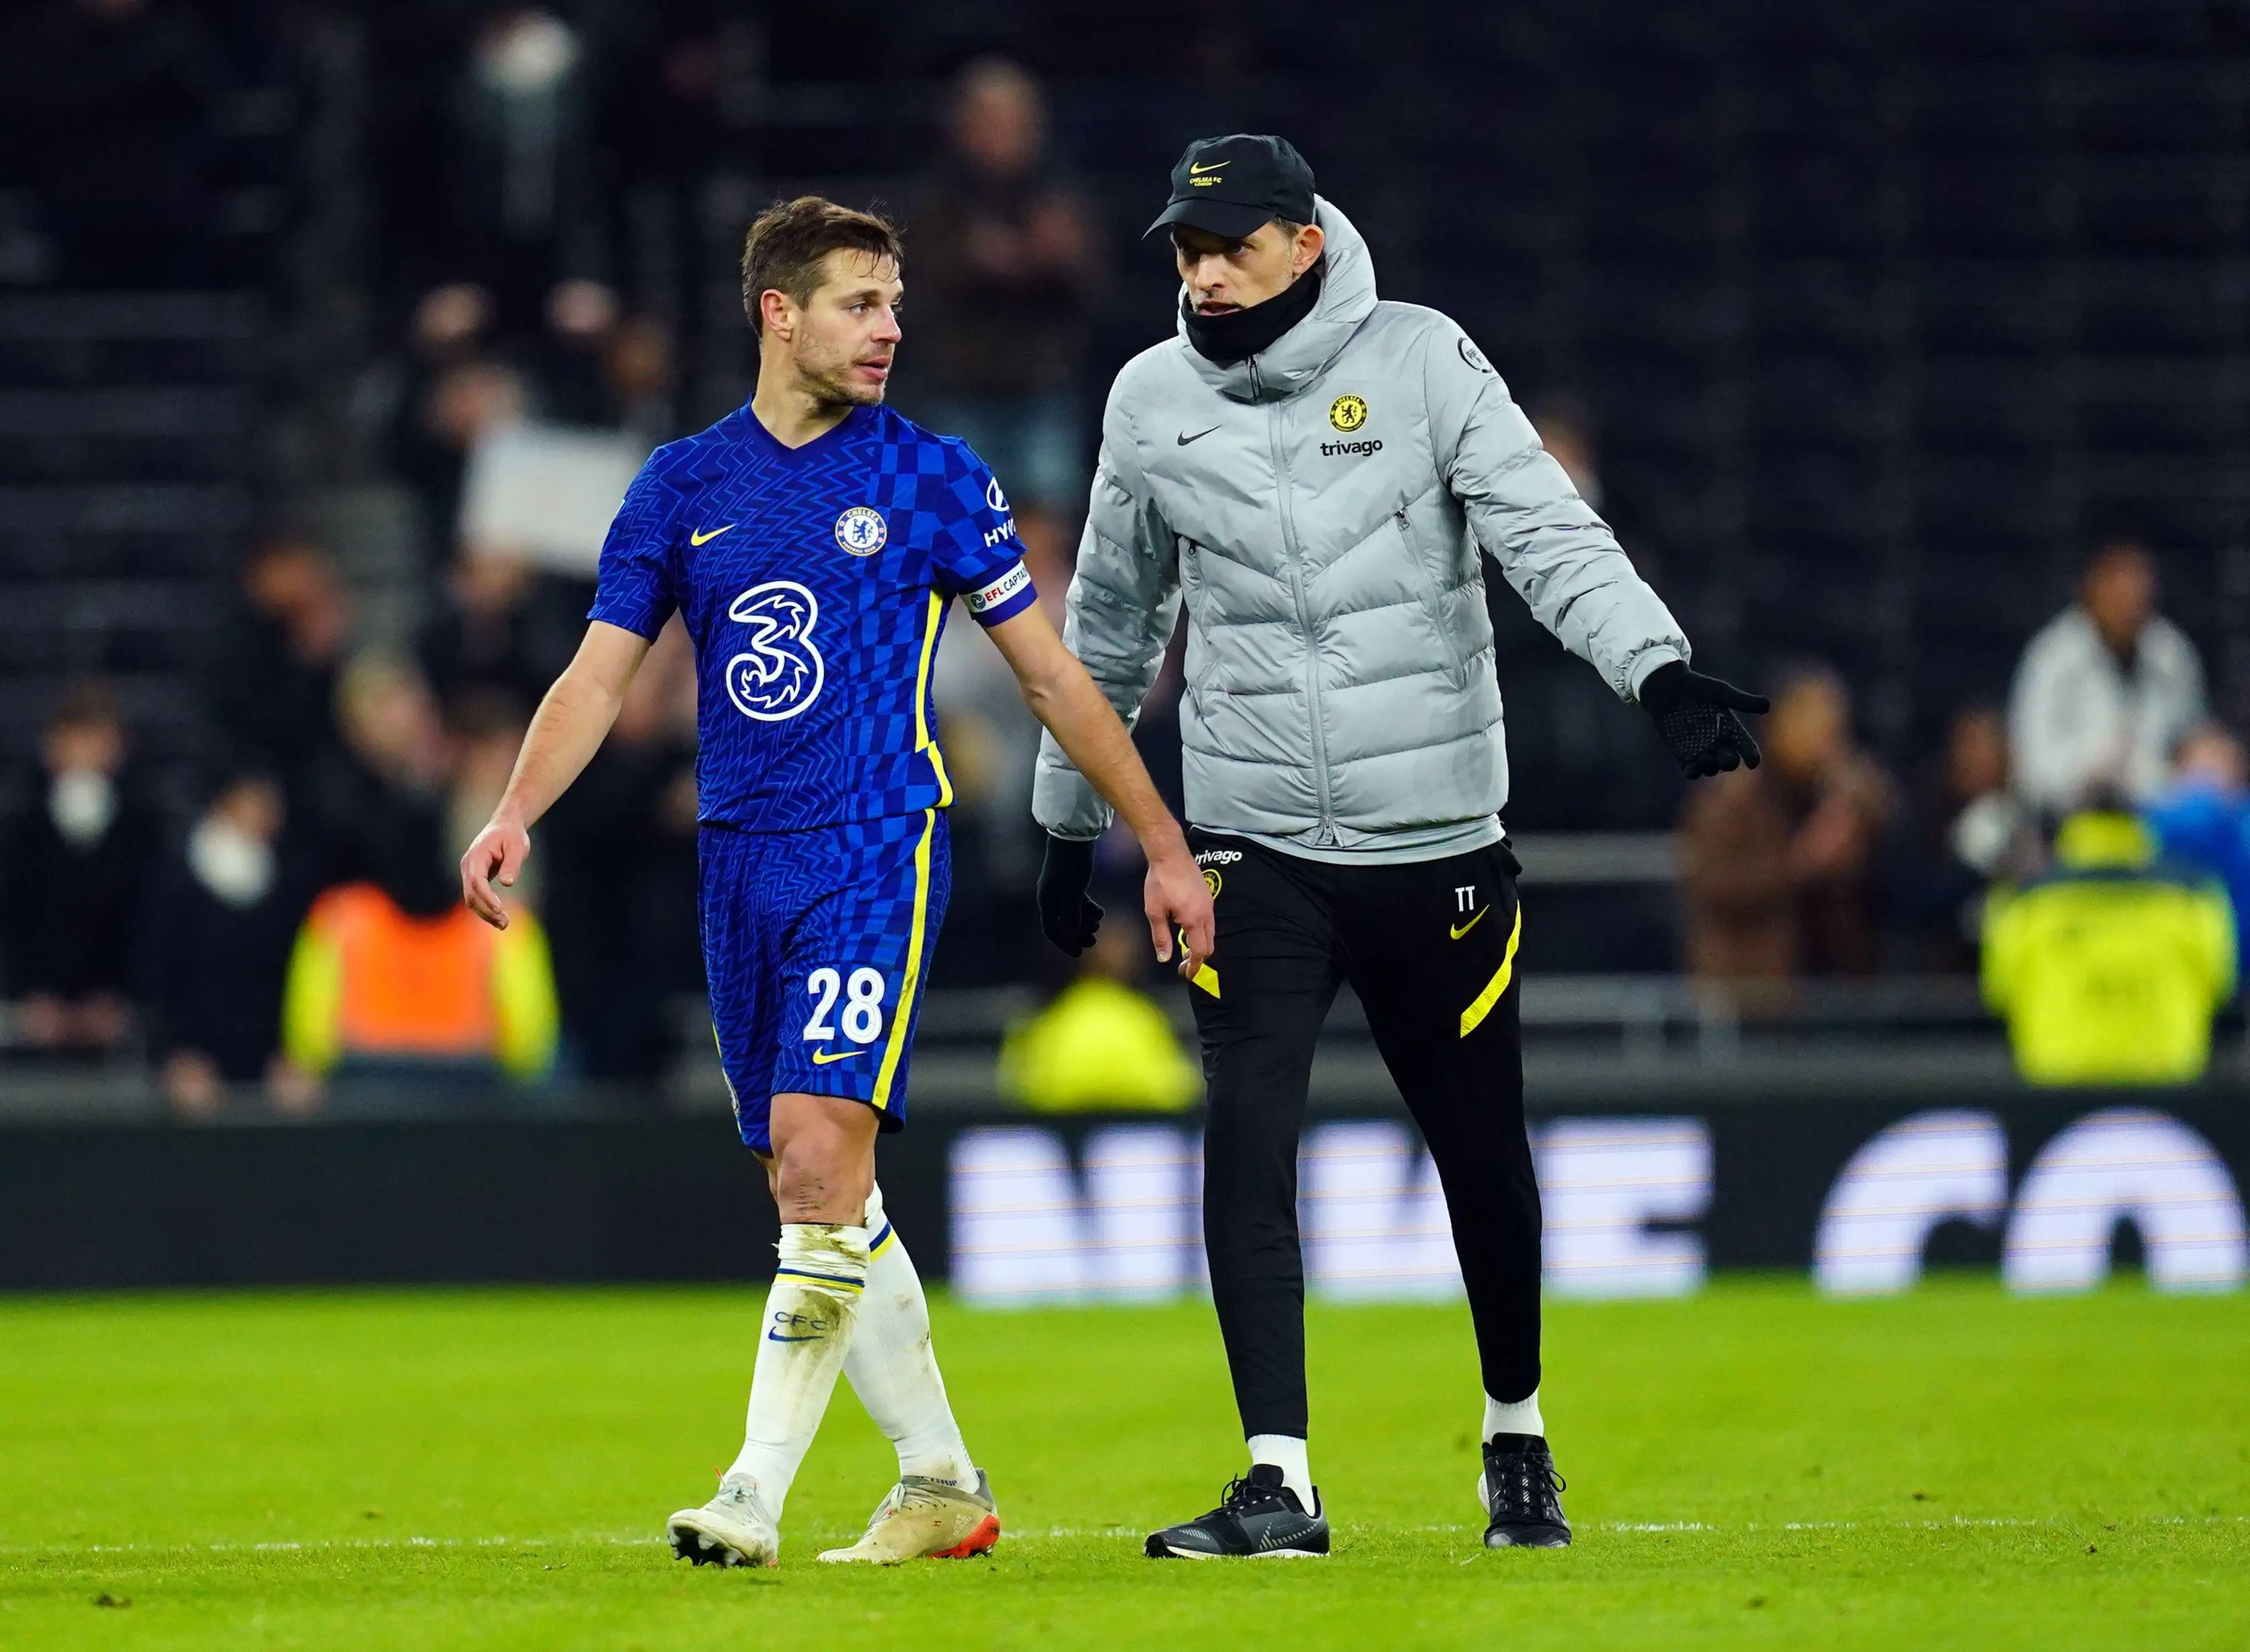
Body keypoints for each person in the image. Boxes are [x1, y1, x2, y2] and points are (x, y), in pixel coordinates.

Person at [1030, 135, 1764, 1557]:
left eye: (1226, 243)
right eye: (1183, 247)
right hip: (1251, 845)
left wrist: (1655, 671)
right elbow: (1108, 632)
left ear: (1302, 243)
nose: (1199, 268)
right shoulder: (1147, 400)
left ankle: (1516, 1437)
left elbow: (1545, 532)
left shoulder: (1424, 362)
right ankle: (1276, 1480)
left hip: (1433, 840)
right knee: (1244, 1141)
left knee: (1480, 1149)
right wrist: (1073, 820)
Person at [457, 196, 1212, 1569]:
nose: (890, 328)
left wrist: (1157, 838)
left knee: (816, 1156)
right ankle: (938, 1481)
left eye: (895, 301)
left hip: (872, 845)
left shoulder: (931, 476)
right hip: (737, 864)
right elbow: (597, 674)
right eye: (860, 302)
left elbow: (1051, 676)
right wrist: (515, 811)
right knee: (816, 1187)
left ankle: (750, 1491)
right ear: (778, 312)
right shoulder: (682, 486)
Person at [1983, 802, 2235, 1084]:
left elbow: (1998, 989)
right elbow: (2221, 983)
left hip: (2056, 1080)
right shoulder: (2193, 896)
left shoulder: (2027, 900)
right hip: (2167, 1080)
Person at [1680, 665, 1893, 981]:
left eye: (1834, 726)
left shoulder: (1842, 792)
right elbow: (1712, 887)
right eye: (1814, 722)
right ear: (1779, 724)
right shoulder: (1732, 800)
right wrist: (1801, 862)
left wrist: (1864, 805)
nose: (1826, 738)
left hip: (1841, 980)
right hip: (1756, 984)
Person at [139, 772, 315, 1117]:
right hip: (192, 1059)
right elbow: (155, 975)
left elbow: (292, 977)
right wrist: (176, 1055)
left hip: (266, 1060)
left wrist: (291, 1054)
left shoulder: (288, 881)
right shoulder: (175, 879)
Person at [0, 684, 159, 1053]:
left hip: (116, 1016)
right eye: (76, 738)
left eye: (97, 739)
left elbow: (146, 922)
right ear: (52, 746)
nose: (85, 753)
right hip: (37, 1015)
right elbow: (12, 915)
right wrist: (30, 994)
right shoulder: (25, 824)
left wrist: (118, 995)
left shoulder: (141, 827)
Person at [2009, 539, 2205, 819]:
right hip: (2070, 817)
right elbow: (2032, 772)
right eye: (2119, 588)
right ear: (2091, 588)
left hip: (2155, 816)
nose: (2129, 601)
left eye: (2139, 589)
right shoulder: (2052, 659)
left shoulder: (2172, 654)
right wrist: (2091, 771)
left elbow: (2190, 747)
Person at [998, 924, 1202, 1113]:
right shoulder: (1058, 1018)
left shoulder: (1143, 1016)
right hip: (1075, 1139)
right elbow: (1176, 1089)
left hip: (1131, 1137)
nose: (1122, 954)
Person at [2144, 722, 2250, 981]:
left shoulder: (2151, 821)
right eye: (2204, 759)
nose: (2211, 771)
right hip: (2180, 969)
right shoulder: (2155, 821)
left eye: (2220, 759)